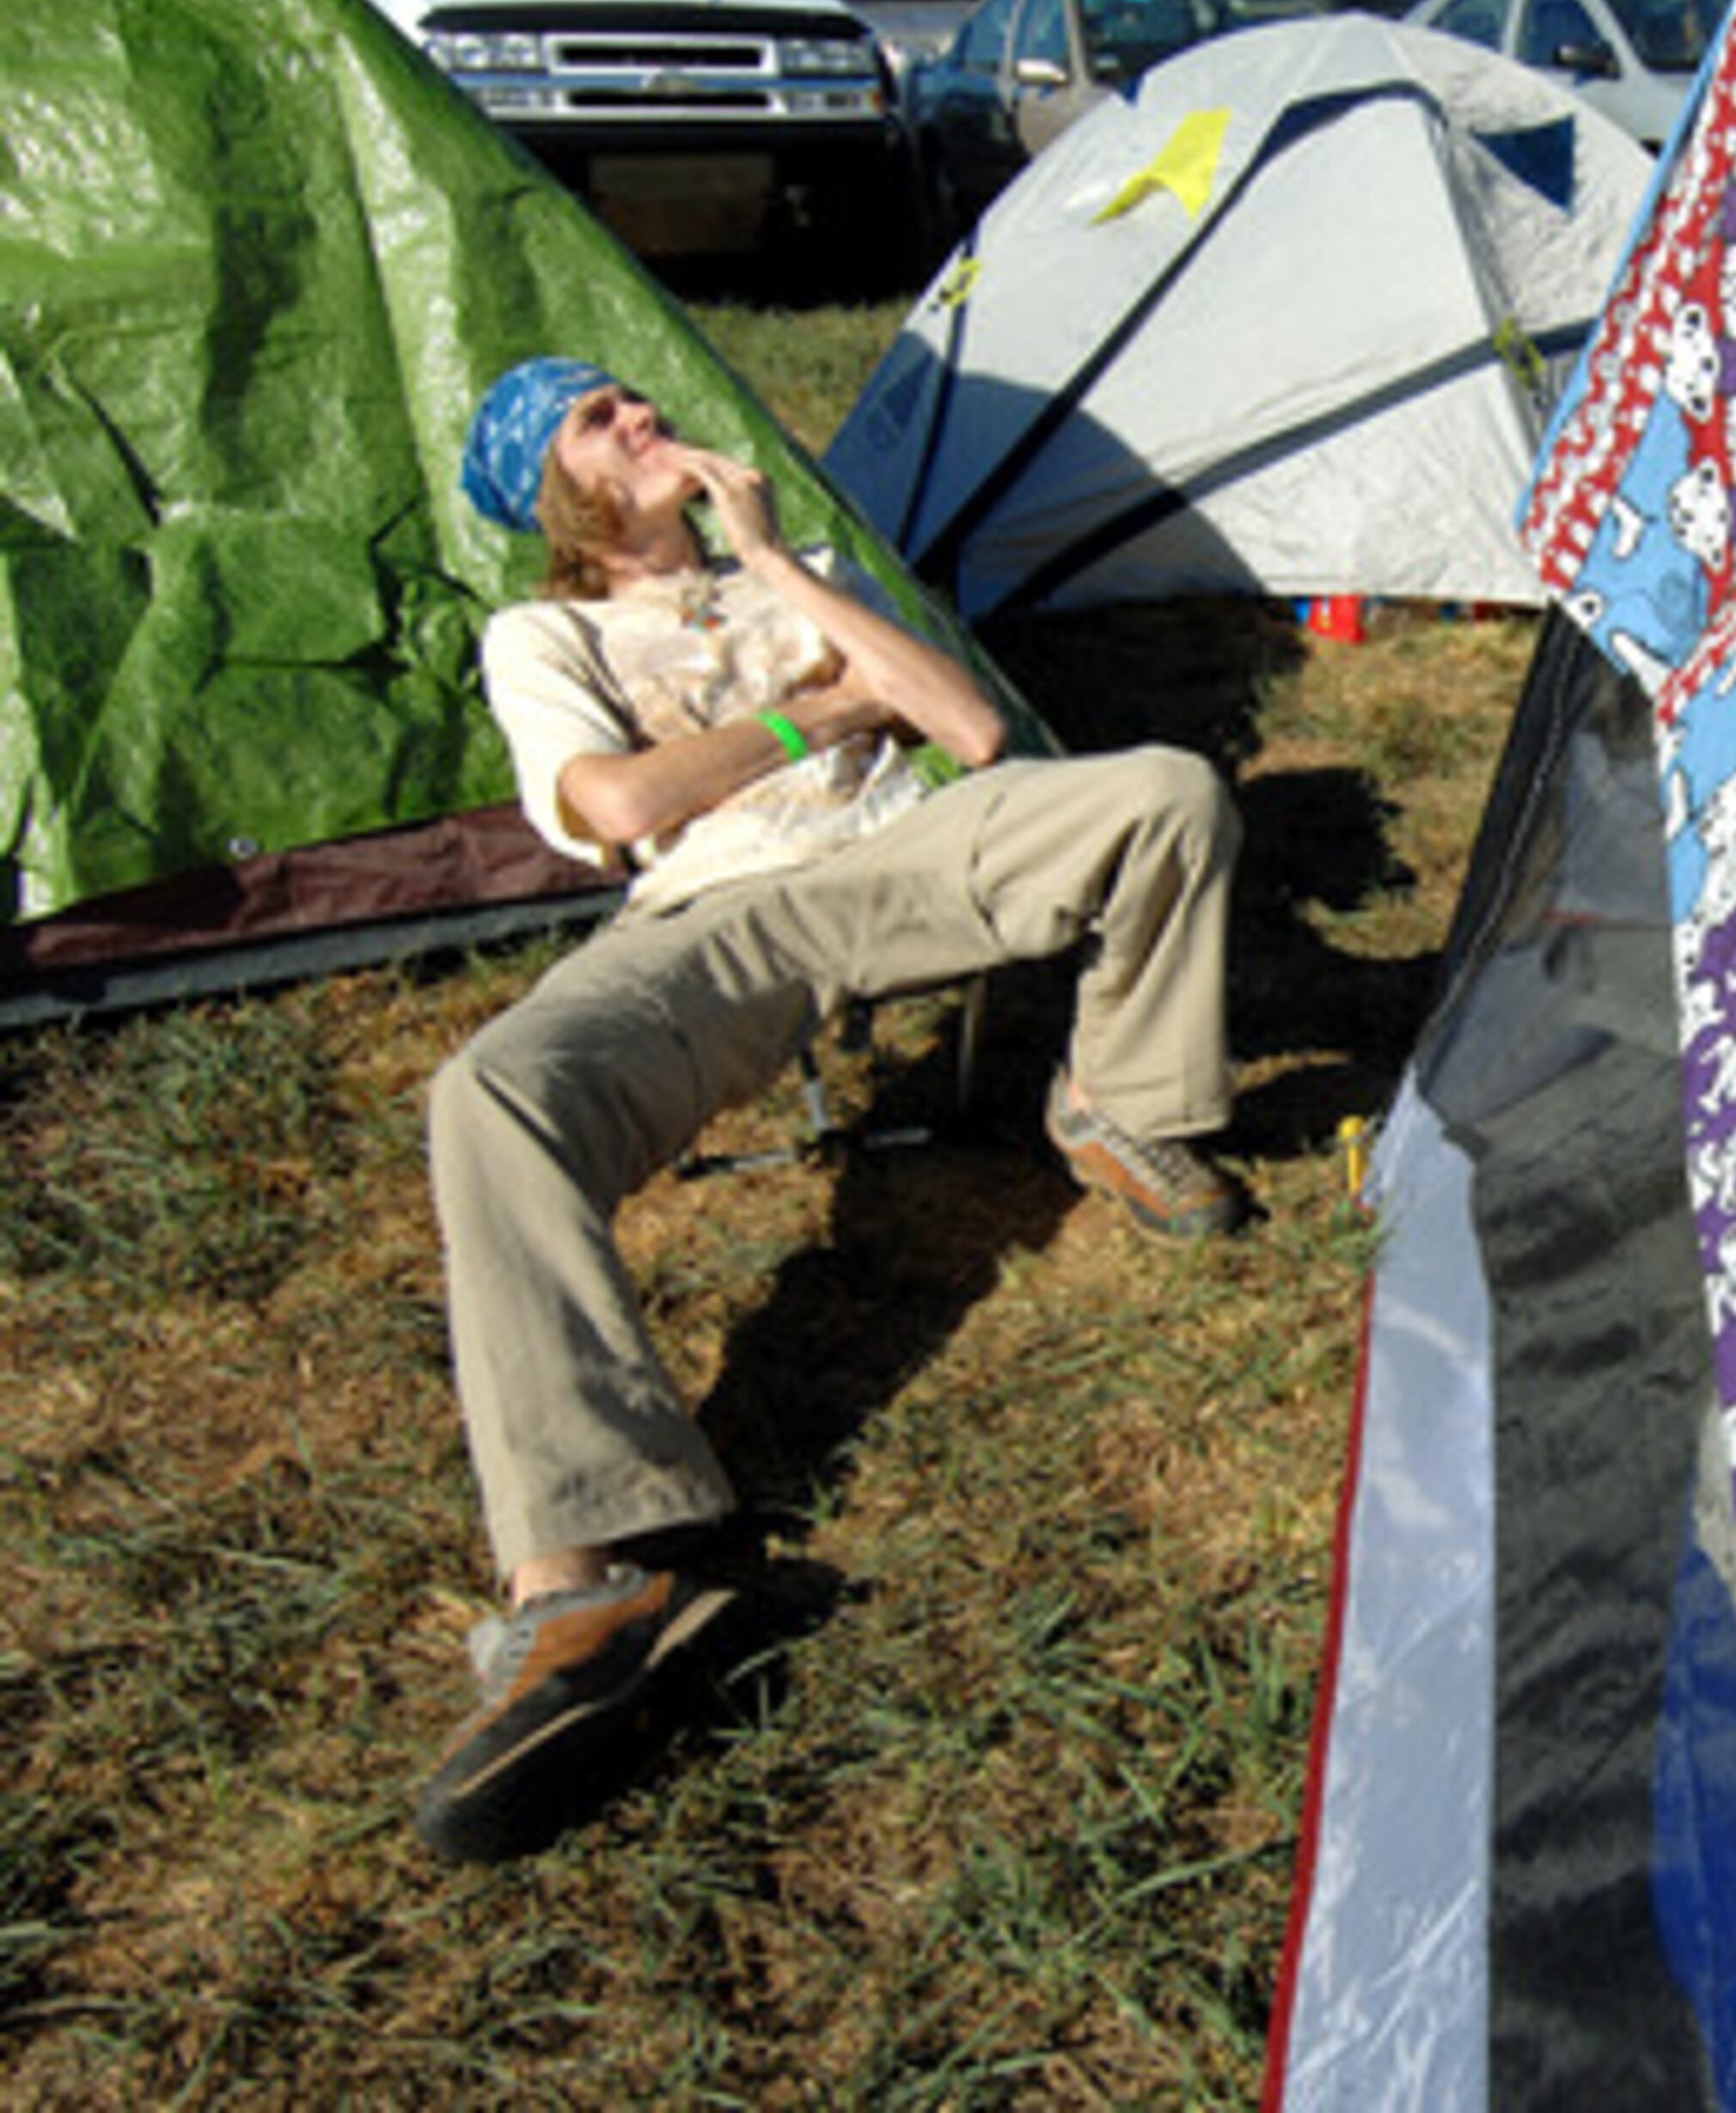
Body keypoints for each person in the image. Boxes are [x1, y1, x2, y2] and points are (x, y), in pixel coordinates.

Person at [413, 356, 1244, 1862]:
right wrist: (814, 719)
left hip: (904, 850)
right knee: (492, 1092)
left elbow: (974, 734)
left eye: (634, 397)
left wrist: (783, 569)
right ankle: (580, 1575)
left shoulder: (795, 578)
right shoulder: (543, 631)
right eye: (602, 422)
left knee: (1171, 792)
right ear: (557, 486)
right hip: (711, 920)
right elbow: (616, 810)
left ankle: (1121, 1103)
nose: (645, 418)